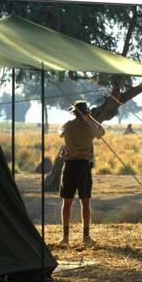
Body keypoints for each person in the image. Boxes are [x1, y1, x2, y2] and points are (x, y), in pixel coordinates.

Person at [58, 100, 105, 247]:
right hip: (84, 167)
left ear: (73, 112)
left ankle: (65, 238)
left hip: (69, 166)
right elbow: (101, 132)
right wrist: (89, 118)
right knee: (85, 203)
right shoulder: (90, 127)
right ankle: (86, 237)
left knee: (67, 202)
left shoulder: (67, 125)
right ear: (86, 112)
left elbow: (60, 133)